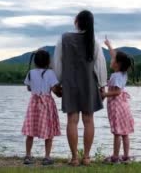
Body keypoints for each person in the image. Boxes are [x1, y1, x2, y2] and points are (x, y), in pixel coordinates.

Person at [52, 10, 107, 166]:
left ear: (77, 21)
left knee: (72, 120)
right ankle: (87, 157)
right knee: (89, 120)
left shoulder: (63, 39)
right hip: (89, 83)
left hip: (70, 83)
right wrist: (102, 86)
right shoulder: (94, 41)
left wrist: (57, 83)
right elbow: (100, 65)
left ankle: (75, 158)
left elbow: (58, 63)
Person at [21, 49, 61, 166]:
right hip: (46, 104)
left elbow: (28, 88)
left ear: (35, 61)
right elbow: (54, 90)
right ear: (48, 61)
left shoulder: (31, 73)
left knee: (30, 130)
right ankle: (47, 157)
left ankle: (28, 156)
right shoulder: (50, 73)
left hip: (34, 103)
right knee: (48, 131)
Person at [102, 36, 135, 164]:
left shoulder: (116, 76)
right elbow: (114, 55)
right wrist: (109, 45)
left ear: (118, 64)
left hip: (116, 106)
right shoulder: (123, 73)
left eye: (113, 59)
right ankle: (126, 156)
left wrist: (105, 94)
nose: (111, 60)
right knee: (124, 133)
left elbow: (117, 92)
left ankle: (115, 157)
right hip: (124, 106)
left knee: (117, 133)